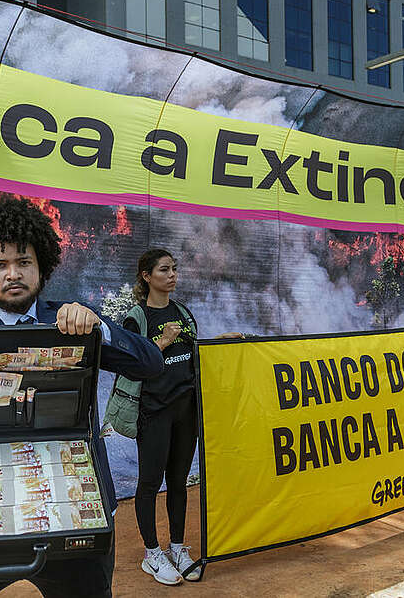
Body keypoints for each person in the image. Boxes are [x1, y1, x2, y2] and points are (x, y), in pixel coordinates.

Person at [0, 197, 164, 598]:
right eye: (0, 264)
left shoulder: (73, 321)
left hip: (76, 521)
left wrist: (100, 330)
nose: (13, 274)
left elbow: (151, 364)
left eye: (24, 262)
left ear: (41, 267)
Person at [122, 249, 241, 586]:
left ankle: (176, 547)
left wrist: (220, 343)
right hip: (154, 412)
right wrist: (161, 341)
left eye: (174, 269)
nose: (172, 275)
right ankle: (151, 553)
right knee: (148, 483)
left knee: (178, 481)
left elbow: (191, 353)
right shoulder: (137, 317)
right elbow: (132, 364)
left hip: (185, 411)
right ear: (146, 276)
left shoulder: (183, 313)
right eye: (164, 270)